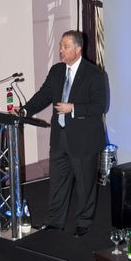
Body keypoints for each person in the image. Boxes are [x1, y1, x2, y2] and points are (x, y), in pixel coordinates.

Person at [14, 30, 106, 237]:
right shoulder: (57, 70)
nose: (61, 50)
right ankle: (55, 221)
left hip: (84, 140)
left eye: (65, 46)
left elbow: (100, 106)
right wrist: (25, 110)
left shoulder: (95, 74)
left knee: (85, 184)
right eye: (60, 46)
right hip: (60, 137)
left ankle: (83, 222)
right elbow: (44, 95)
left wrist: (73, 108)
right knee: (57, 182)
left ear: (78, 48)